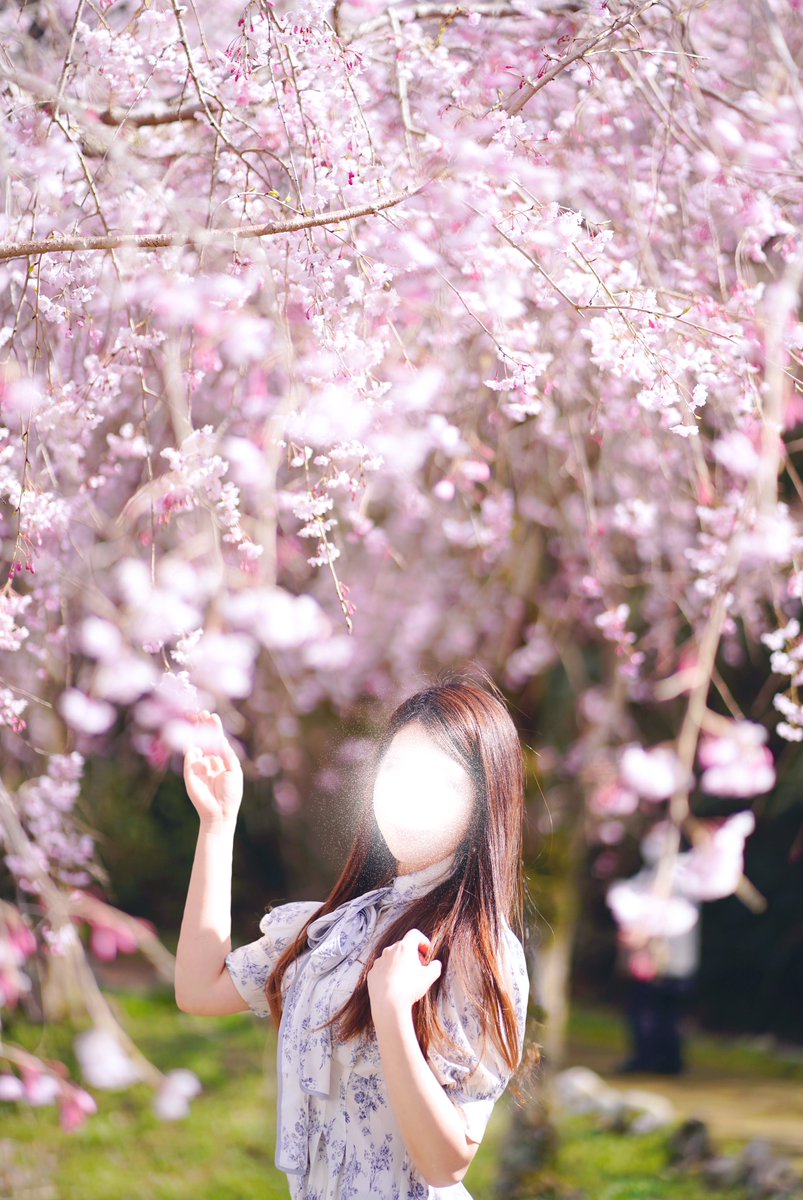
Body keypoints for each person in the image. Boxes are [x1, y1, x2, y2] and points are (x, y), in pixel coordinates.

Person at [174, 669, 530, 1200]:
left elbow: (445, 1164)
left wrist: (392, 1014)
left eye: (440, 781)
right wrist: (217, 825)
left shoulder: (479, 951)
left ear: (483, 803)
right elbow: (199, 989)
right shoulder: (333, 930)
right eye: (397, 771)